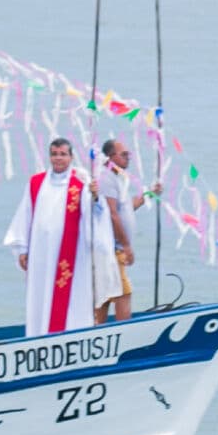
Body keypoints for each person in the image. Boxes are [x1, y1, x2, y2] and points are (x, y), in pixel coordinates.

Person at [3, 138, 115, 337]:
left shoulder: (81, 182)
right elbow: (25, 214)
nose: (58, 158)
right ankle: (39, 335)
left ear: (71, 157)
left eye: (63, 154)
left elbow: (95, 214)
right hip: (41, 253)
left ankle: (74, 335)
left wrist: (95, 197)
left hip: (73, 253)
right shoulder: (36, 183)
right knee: (41, 295)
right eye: (54, 154)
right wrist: (22, 248)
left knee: (73, 298)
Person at [95, 139, 147, 325]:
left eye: (128, 154)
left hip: (112, 248)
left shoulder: (118, 177)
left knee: (105, 293)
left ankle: (97, 330)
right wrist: (125, 245)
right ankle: (123, 332)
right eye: (124, 154)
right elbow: (112, 214)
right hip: (112, 248)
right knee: (123, 293)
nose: (128, 158)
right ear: (110, 156)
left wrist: (144, 199)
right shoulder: (107, 178)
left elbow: (123, 209)